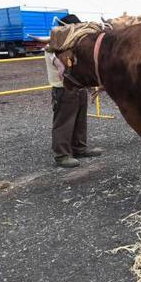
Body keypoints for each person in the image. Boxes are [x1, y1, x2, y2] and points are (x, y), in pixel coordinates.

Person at [45, 14, 103, 168]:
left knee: (80, 119)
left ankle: (79, 148)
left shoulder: (72, 44)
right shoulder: (54, 45)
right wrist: (59, 64)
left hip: (79, 87)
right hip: (63, 88)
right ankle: (62, 155)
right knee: (64, 121)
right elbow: (56, 61)